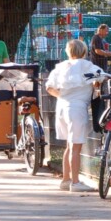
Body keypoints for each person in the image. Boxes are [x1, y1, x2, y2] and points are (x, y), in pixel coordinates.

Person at [44, 38, 100, 193]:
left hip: (62, 106)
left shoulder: (60, 67)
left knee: (69, 146)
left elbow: (48, 87)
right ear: (83, 51)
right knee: (76, 146)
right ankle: (75, 182)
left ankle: (65, 179)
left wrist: (61, 96)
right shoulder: (87, 65)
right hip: (77, 108)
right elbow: (100, 78)